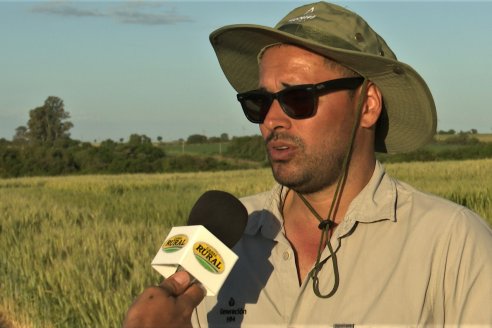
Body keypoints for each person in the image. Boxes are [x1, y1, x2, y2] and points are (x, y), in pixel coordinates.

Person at [124, 2, 492, 327]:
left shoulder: (450, 243)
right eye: (258, 102)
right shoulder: (221, 239)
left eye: (297, 98)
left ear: (367, 105)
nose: (271, 119)